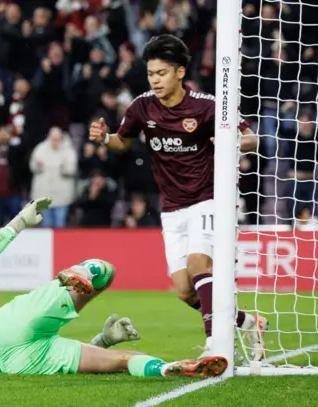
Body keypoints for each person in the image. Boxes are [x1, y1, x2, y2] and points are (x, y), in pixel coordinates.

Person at [88, 34, 266, 360]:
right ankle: (249, 322)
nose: (155, 80)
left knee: (200, 265)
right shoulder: (142, 106)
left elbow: (252, 139)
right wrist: (104, 139)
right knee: (186, 291)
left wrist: (226, 143)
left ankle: (214, 347)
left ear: (179, 72)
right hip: (171, 208)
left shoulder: (206, 105)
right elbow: (123, 142)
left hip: (207, 198)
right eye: (151, 74)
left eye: (162, 73)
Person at [0, 197, 229, 377]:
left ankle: (168, 368)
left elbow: (36, 343)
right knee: (106, 271)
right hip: (9, 332)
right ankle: (81, 271)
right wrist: (20, 221)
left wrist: (102, 341)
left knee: (121, 360)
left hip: (18, 364)